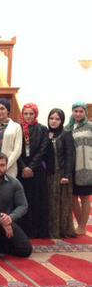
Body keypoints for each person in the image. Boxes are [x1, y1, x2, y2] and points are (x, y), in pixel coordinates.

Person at [16, 103, 50, 238]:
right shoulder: (17, 128)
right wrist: (23, 167)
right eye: (26, 114)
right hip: (21, 169)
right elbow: (16, 149)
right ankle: (22, 229)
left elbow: (43, 149)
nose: (28, 116)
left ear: (36, 114)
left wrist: (31, 167)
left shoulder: (42, 129)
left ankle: (36, 231)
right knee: (22, 200)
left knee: (36, 199)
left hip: (36, 170)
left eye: (31, 114)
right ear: (22, 114)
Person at [46, 108, 76, 238]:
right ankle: (51, 230)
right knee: (50, 202)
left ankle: (62, 230)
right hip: (49, 174)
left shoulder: (66, 134)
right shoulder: (46, 133)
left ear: (62, 121)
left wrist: (67, 175)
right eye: (51, 118)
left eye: (57, 119)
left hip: (62, 174)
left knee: (62, 203)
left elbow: (70, 156)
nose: (53, 121)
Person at [66, 101, 92, 235]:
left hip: (86, 166)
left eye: (81, 111)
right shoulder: (68, 127)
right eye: (75, 111)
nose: (78, 114)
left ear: (85, 113)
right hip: (71, 168)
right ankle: (80, 223)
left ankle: (82, 226)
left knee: (85, 196)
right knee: (72, 196)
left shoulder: (90, 127)